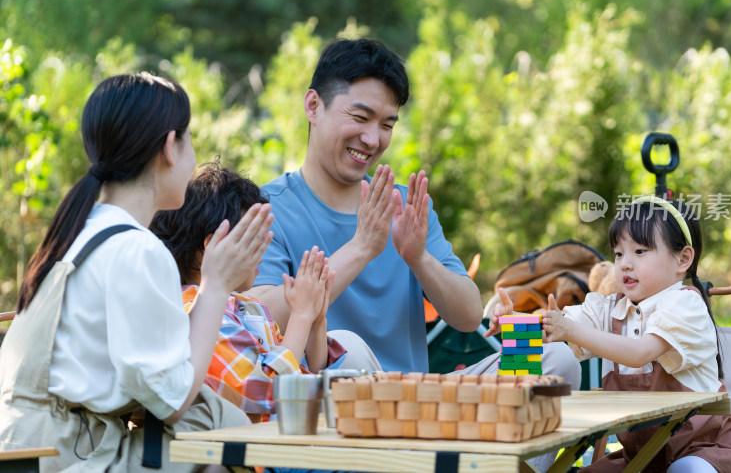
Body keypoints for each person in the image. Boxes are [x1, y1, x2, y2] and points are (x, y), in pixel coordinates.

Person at [246, 37, 580, 383]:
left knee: (556, 360)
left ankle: (453, 429)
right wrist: (361, 248)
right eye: (360, 117)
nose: (373, 140)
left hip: (419, 399)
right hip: (327, 402)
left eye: (387, 125)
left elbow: (468, 316)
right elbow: (260, 319)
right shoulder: (265, 209)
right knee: (346, 350)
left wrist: (418, 258)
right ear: (313, 106)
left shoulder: (406, 207)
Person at [0, 73, 272, 472]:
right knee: (215, 428)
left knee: (211, 418)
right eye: (189, 139)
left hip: (26, 447)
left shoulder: (80, 230)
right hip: (60, 456)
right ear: (169, 147)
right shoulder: (136, 249)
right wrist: (215, 286)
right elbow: (176, 402)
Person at [540, 196, 731, 472]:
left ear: (682, 259)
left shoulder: (686, 305)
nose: (624, 264)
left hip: (706, 452)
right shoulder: (609, 309)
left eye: (640, 251)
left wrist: (570, 329)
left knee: (687, 471)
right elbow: (557, 324)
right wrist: (518, 320)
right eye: (619, 253)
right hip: (642, 459)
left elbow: (639, 353)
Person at [151, 160, 350, 423]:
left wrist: (316, 320)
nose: (263, 253)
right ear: (212, 247)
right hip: (257, 454)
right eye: (253, 240)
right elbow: (269, 393)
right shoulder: (195, 314)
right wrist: (300, 316)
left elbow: (307, 374)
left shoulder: (246, 307)